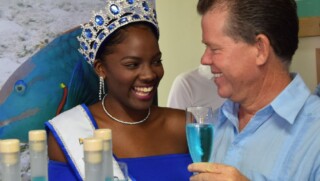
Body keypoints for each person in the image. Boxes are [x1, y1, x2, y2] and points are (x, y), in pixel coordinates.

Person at [45, 0, 192, 180]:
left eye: (156, 62)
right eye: (132, 64)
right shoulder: (70, 132)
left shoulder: (184, 126)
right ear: (101, 69)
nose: (149, 74)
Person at [188, 0, 320, 180]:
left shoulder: (315, 133)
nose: (205, 59)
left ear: (260, 49)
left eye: (215, 49)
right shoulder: (215, 123)